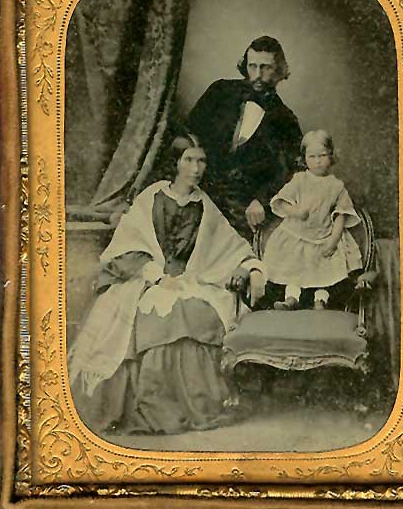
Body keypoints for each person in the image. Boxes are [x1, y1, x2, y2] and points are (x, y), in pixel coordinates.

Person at [68, 134, 266, 436]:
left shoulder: (204, 206)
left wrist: (248, 267)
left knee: (197, 311)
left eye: (202, 161)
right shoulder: (152, 198)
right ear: (175, 164)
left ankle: (198, 405)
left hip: (192, 280)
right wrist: (156, 276)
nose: (196, 168)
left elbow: (233, 247)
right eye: (189, 160)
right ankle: (153, 406)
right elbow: (124, 248)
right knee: (155, 314)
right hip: (146, 279)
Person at [186, 35, 302, 240]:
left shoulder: (285, 120)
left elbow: (292, 171)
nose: (257, 75)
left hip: (242, 205)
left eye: (265, 68)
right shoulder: (219, 91)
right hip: (198, 186)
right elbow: (188, 133)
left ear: (279, 71)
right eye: (252, 66)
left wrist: (262, 200)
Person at [263, 129, 363, 311]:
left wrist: (333, 241)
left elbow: (341, 215)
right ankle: (291, 299)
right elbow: (281, 202)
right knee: (294, 270)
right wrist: (296, 211)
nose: (317, 161)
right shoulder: (299, 180)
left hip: (323, 235)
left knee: (323, 271)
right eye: (312, 156)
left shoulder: (336, 186)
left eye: (322, 156)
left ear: (331, 156)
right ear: (304, 159)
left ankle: (320, 300)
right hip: (297, 234)